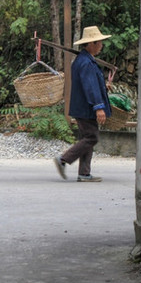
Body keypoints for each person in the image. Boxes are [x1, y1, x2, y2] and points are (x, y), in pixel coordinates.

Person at [54, 26, 112, 182]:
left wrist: (103, 86)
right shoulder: (86, 62)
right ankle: (63, 159)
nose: (101, 45)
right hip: (86, 108)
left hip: (82, 107)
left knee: (87, 138)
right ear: (91, 43)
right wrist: (99, 107)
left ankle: (84, 173)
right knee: (91, 138)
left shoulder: (84, 60)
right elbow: (90, 87)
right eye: (99, 42)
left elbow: (90, 83)